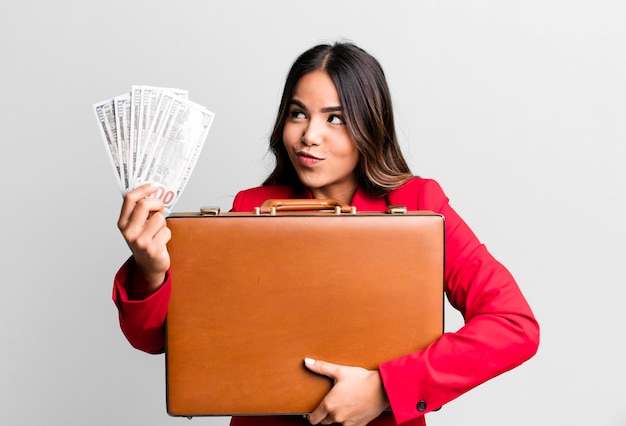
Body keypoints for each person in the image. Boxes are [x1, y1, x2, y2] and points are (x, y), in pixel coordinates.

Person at [113, 42, 539, 426]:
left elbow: (513, 325)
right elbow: (166, 341)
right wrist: (151, 271)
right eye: (298, 113)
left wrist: (386, 389)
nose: (308, 136)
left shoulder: (419, 205)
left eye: (334, 118)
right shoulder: (250, 209)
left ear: (369, 126)